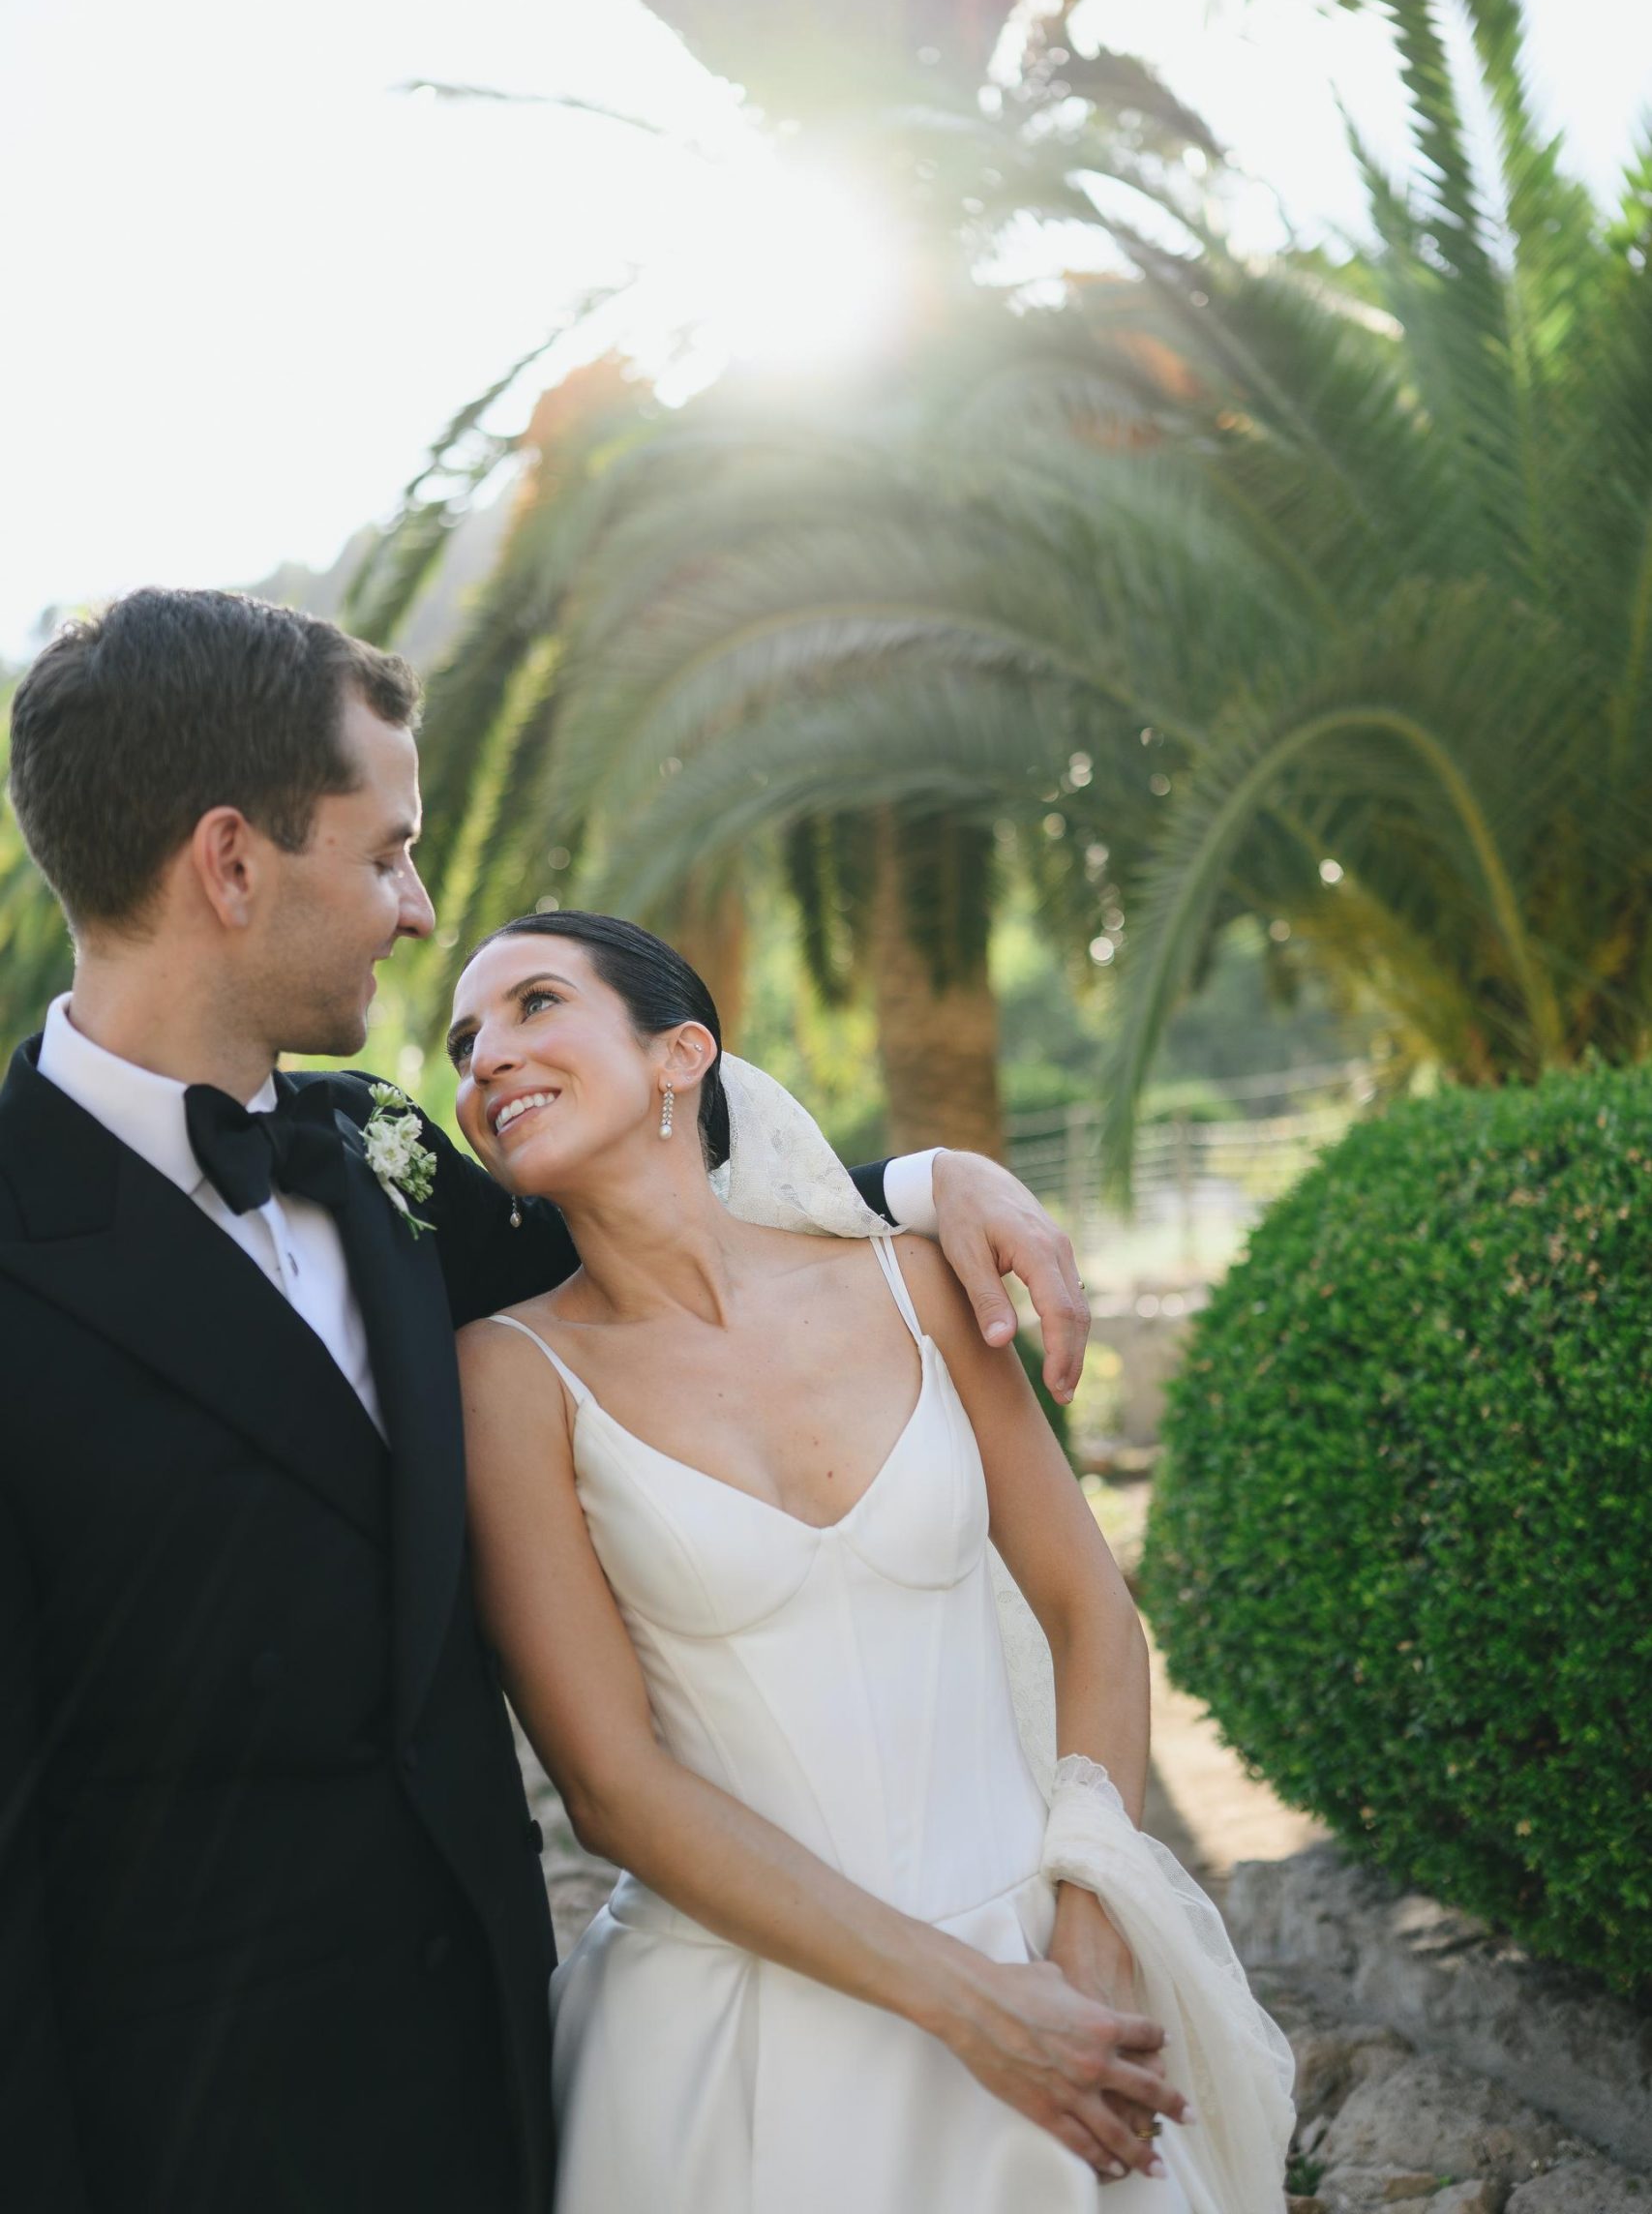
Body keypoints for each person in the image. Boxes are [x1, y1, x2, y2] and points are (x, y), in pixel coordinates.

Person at [0, 587, 1095, 2214]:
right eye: (384, 855)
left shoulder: (377, 1160)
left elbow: (651, 1221)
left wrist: (931, 1181)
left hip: (501, 2076)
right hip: (186, 2119)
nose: (421, 910)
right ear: (230, 865)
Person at [448, 912, 1296, 2213]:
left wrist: (1089, 1938)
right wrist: (966, 2004)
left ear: (682, 1055)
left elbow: (1094, 1620)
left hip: (1051, 1970)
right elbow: (611, 1787)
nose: (486, 1057)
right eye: (463, 1043)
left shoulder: (914, 1286)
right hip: (730, 2043)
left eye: (535, 1005)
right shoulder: (510, 1376)